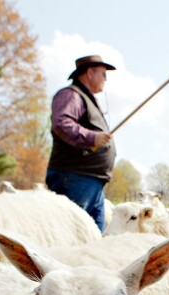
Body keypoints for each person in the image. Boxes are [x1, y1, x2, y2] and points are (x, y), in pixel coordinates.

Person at [46, 54, 117, 231]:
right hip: (75, 178)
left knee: (93, 238)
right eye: (103, 74)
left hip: (91, 181)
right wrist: (93, 137)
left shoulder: (85, 99)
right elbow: (62, 124)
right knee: (72, 233)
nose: (105, 80)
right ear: (90, 73)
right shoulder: (71, 95)